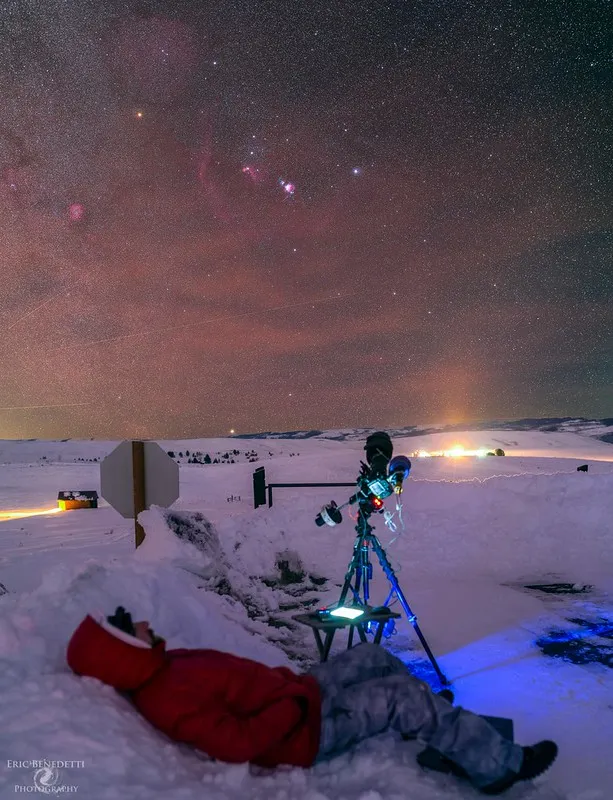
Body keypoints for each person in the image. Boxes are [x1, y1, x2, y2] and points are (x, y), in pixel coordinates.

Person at [66, 607, 558, 795]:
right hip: (304, 731)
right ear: (123, 651)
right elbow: (237, 743)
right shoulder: (166, 697)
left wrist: (294, 691)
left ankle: (435, 724)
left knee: (368, 652)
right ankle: (499, 766)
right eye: (134, 628)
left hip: (298, 692)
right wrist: (295, 709)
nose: (148, 624)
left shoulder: (163, 666)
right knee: (400, 697)